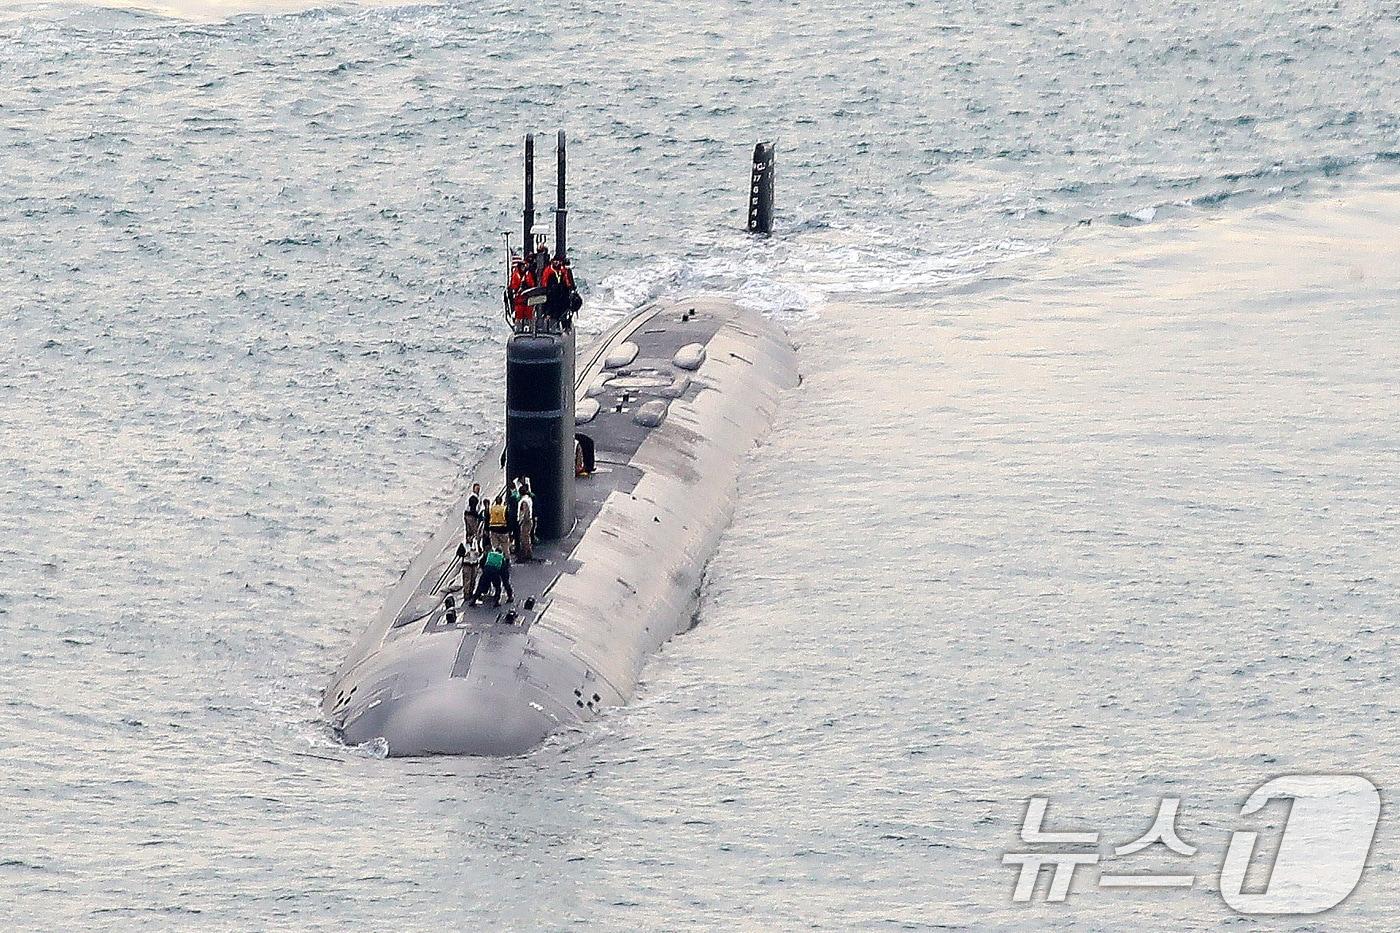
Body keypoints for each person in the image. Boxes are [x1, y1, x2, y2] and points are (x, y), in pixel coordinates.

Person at [508, 257, 536, 325]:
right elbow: (513, 286)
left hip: (527, 299)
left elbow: (531, 284)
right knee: (519, 316)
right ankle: (519, 328)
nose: (523, 268)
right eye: (522, 266)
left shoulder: (527, 274)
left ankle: (530, 327)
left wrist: (526, 285)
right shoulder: (515, 275)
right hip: (519, 300)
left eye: (524, 266)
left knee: (529, 314)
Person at [458, 537, 481, 603]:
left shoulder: (476, 544)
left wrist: (477, 555)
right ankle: (466, 594)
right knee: (467, 579)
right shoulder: (464, 545)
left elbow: (479, 553)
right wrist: (465, 554)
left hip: (474, 564)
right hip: (467, 564)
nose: (470, 539)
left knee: (473, 579)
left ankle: (471, 592)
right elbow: (460, 554)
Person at [516, 482, 535, 561]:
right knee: (527, 537)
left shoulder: (523, 501)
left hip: (526, 522)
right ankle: (528, 553)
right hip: (529, 520)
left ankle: (526, 554)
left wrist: (521, 522)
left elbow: (525, 513)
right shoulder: (529, 499)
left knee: (524, 538)